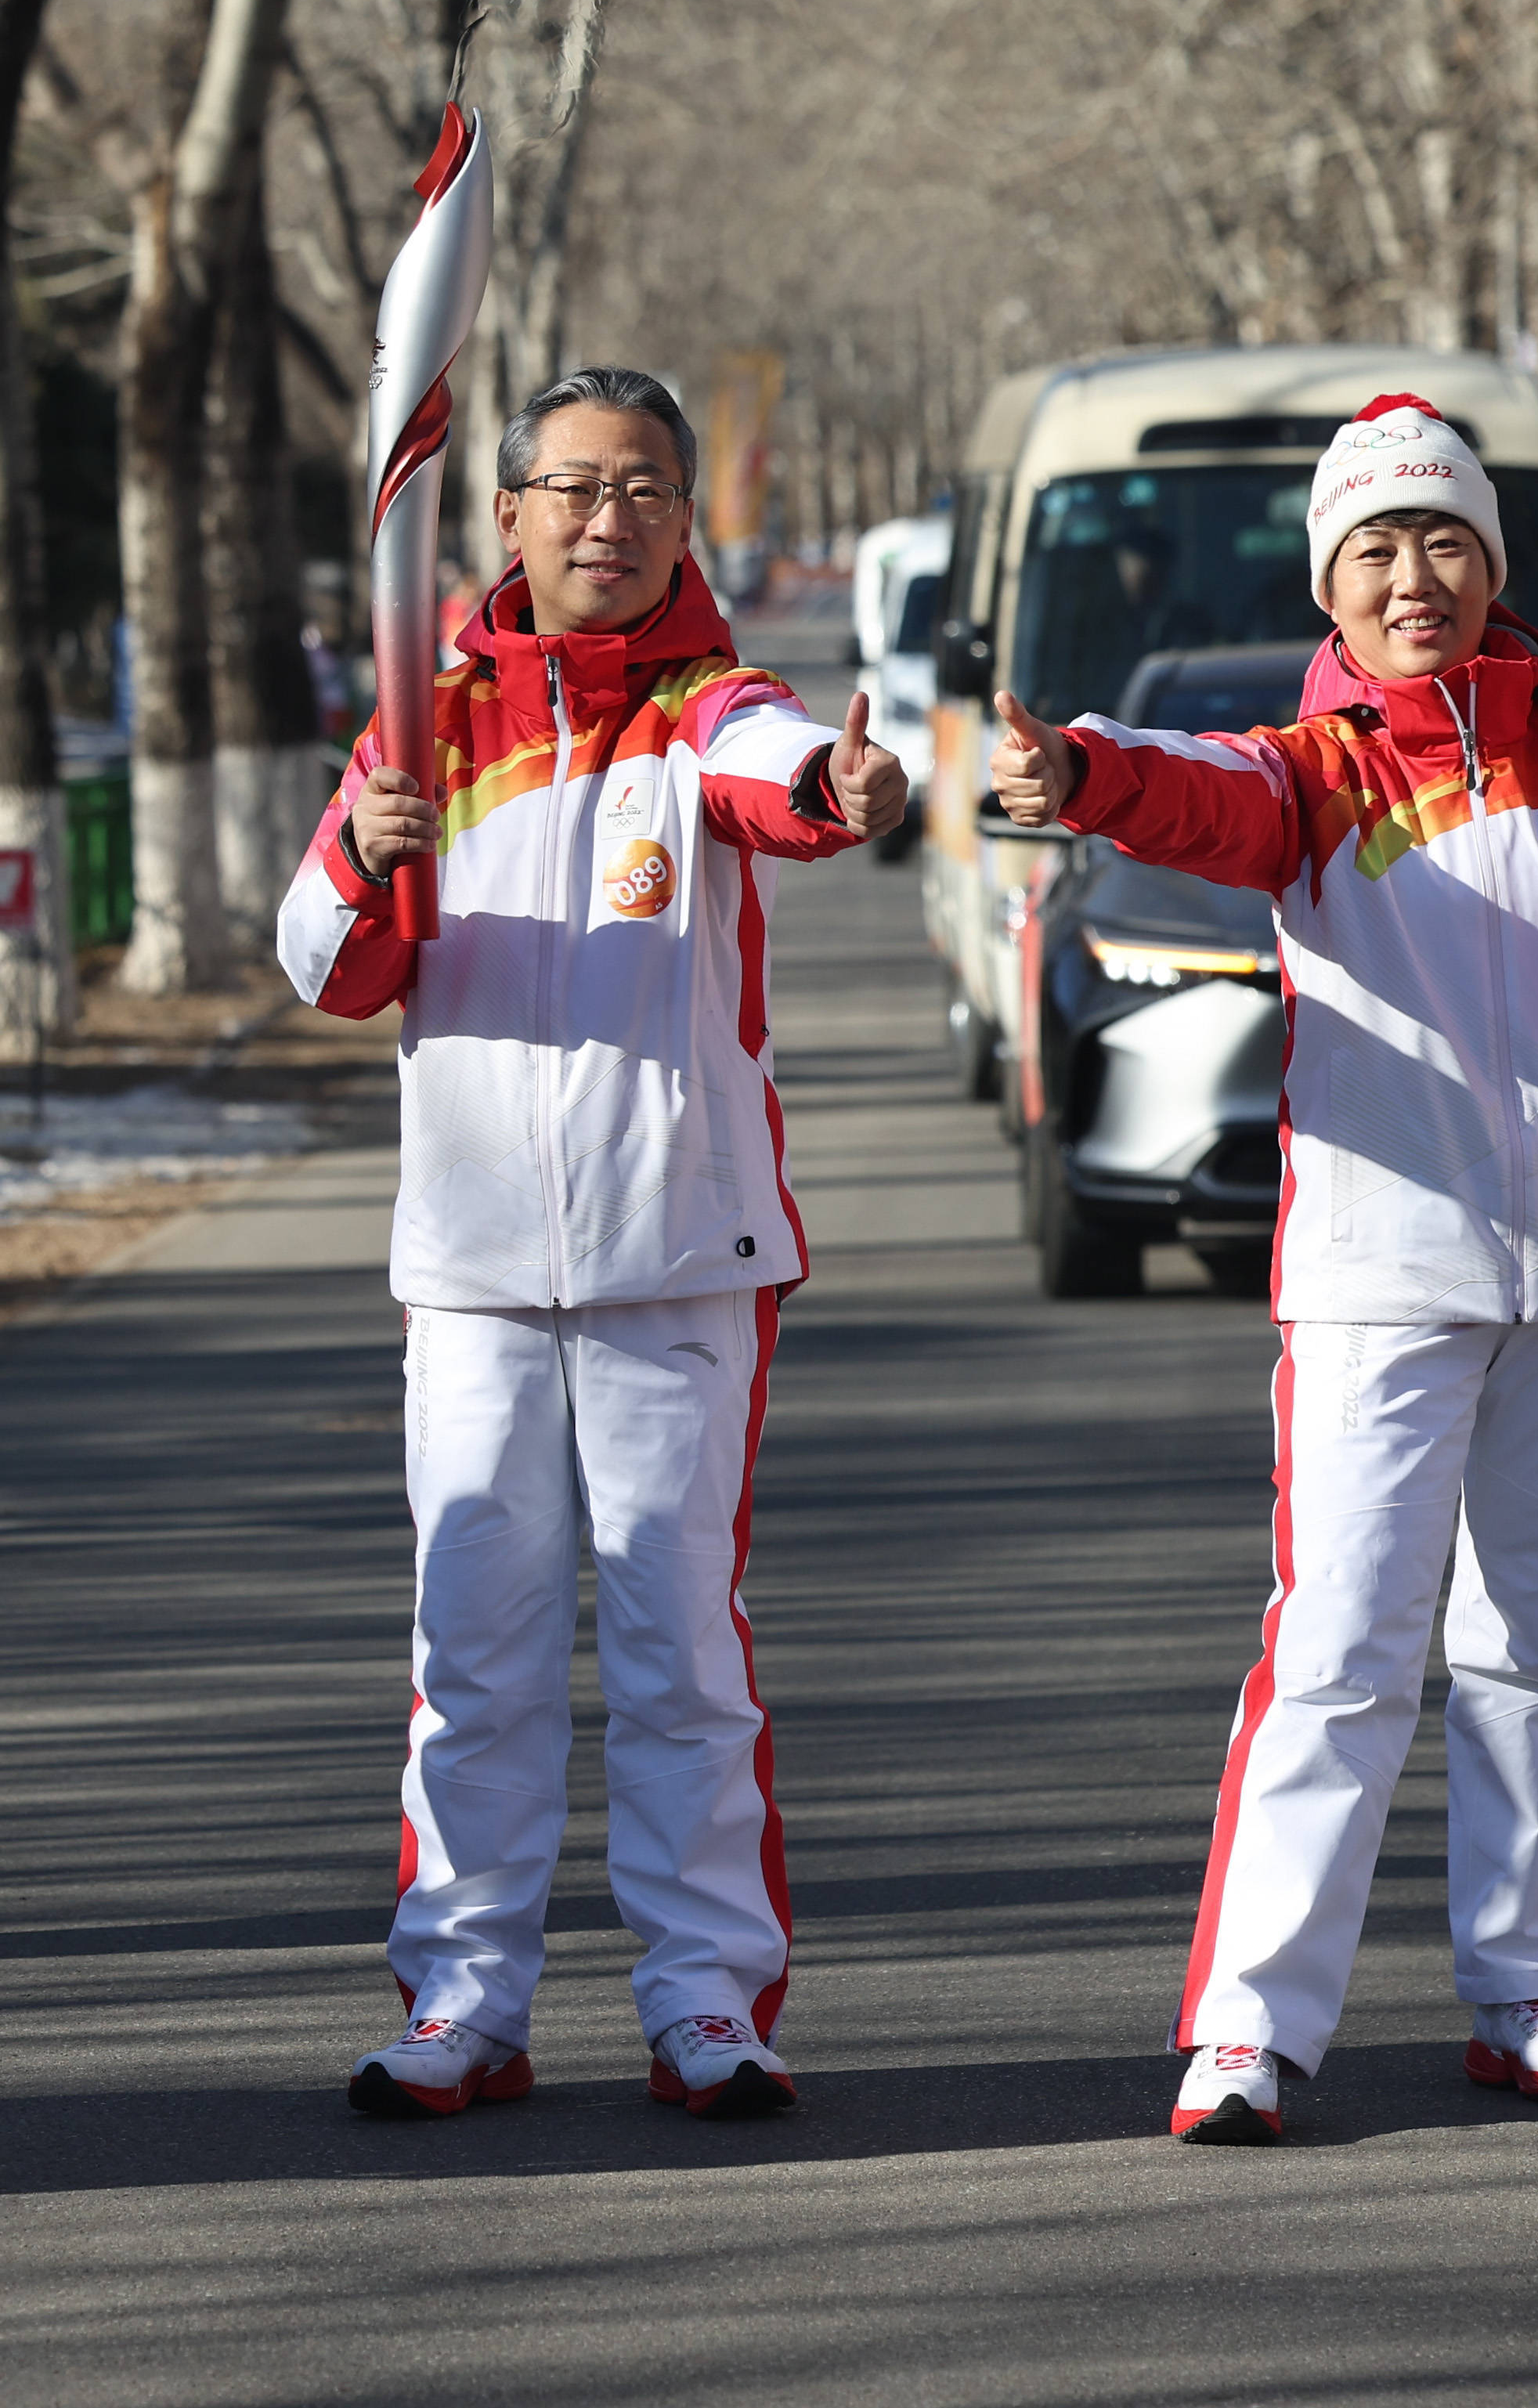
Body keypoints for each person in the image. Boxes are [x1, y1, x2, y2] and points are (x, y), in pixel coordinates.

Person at [988, 392, 1538, 2144]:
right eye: (1371, 548)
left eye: (1441, 538)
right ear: (1330, 584)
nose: (1410, 575)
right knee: (1342, 1651)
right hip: (1384, 1277)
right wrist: (1076, 767)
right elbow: (1185, 797)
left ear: (1492, 563)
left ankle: (1525, 1991)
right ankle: (1247, 2030)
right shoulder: (1312, 775)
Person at [277, 366, 906, 2124]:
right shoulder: (425, 722)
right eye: (573, 488)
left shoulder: (708, 704)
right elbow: (329, 972)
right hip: (473, 1273)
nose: (606, 521)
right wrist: (360, 858)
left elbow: (780, 779)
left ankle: (708, 2000)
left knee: (675, 1650)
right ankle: (463, 1999)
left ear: (683, 518)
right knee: (469, 1653)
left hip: (674, 1260)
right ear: (509, 516)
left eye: (642, 491)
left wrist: (848, 787)